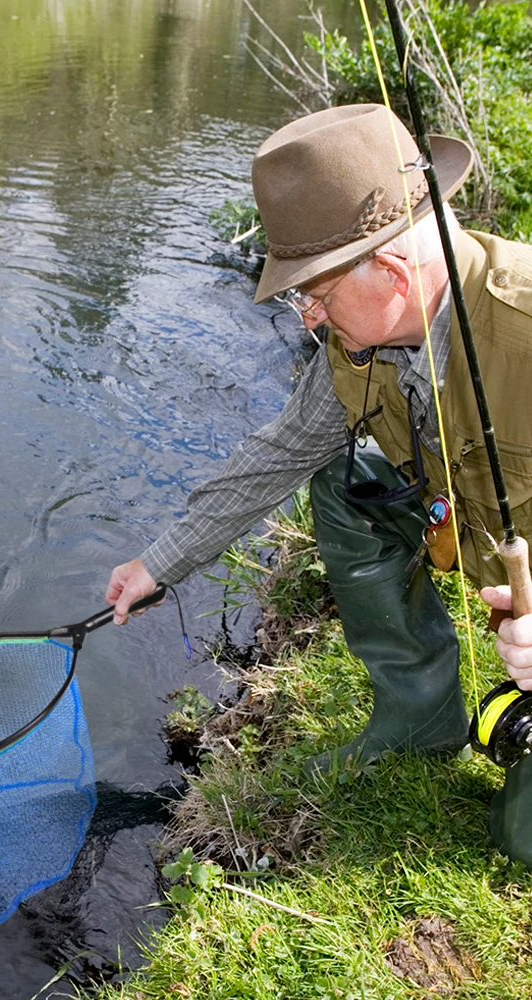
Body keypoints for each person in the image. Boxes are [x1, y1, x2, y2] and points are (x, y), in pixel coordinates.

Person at [105, 104, 532, 864]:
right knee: (345, 481)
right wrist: (158, 563)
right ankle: (418, 718)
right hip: (471, 550)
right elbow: (279, 455)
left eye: (317, 294)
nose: (308, 317)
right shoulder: (357, 348)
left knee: (522, 839)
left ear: (396, 274)